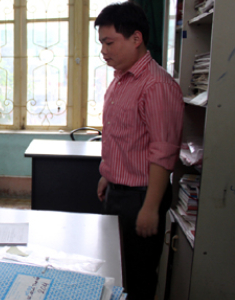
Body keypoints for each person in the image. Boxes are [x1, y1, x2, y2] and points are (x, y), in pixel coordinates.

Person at [94, 3, 184, 300]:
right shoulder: (121, 79)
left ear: (136, 38)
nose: (104, 51)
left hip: (142, 197)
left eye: (110, 43)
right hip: (120, 192)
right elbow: (124, 137)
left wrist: (149, 207)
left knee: (138, 276)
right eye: (102, 44)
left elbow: (163, 152)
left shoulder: (156, 85)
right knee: (116, 269)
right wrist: (109, 174)